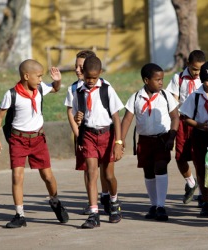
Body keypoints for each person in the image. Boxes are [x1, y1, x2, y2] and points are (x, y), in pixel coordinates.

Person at [0, 59, 69, 228]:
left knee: (47, 177)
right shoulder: (11, 94)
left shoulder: (40, 89)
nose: (41, 79)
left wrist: (58, 80)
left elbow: (55, 88)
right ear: (27, 76)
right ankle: (20, 215)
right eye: (39, 76)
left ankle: (55, 201)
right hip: (18, 140)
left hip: (38, 139)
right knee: (17, 176)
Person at [121, 63, 179, 221]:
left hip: (162, 138)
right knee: (148, 171)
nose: (161, 82)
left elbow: (175, 117)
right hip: (145, 141)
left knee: (160, 167)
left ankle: (161, 205)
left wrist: (172, 136)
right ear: (146, 80)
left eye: (162, 79)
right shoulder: (135, 98)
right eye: (157, 79)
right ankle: (153, 205)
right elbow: (126, 120)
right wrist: (120, 140)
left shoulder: (166, 96)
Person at [73, 56, 124, 229]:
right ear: (83, 73)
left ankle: (114, 202)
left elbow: (116, 118)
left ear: (100, 74)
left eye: (94, 78)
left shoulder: (107, 89)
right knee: (91, 173)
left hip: (107, 135)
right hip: (88, 135)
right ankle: (94, 213)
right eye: (87, 77)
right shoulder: (78, 92)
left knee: (108, 176)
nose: (90, 81)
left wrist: (118, 142)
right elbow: (76, 115)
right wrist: (77, 118)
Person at [64, 50, 110, 215]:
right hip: (83, 134)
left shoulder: (104, 86)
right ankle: (92, 202)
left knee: (104, 168)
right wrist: (77, 133)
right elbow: (70, 111)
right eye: (76, 66)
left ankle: (106, 195)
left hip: (101, 133)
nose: (77, 70)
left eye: (81, 66)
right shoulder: (73, 88)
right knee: (88, 168)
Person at [180, 61, 208, 217]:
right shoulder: (195, 96)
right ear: (202, 80)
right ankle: (205, 201)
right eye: (207, 80)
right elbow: (185, 117)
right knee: (202, 170)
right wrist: (198, 124)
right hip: (199, 135)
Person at [166, 50, 206, 205]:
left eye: (200, 70)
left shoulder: (205, 78)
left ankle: (204, 194)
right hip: (183, 121)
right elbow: (173, 101)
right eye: (195, 69)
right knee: (180, 156)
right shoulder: (178, 78)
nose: (197, 73)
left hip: (199, 122)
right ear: (188, 64)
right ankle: (191, 182)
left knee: (199, 158)